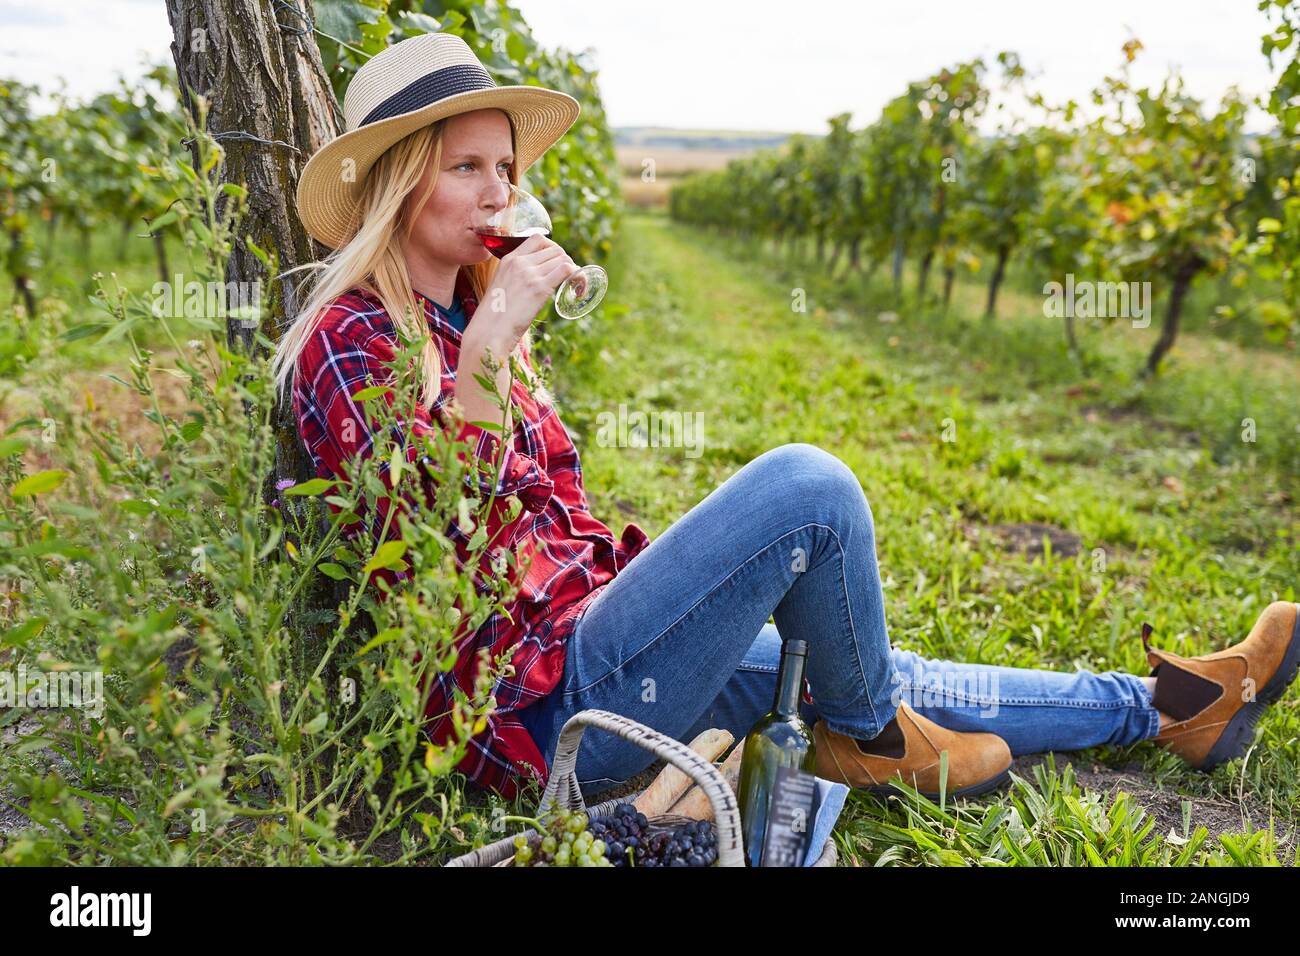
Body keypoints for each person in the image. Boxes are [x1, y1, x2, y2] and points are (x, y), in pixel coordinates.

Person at [275, 32, 1300, 804]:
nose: (499, 188)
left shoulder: (467, 310)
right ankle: (868, 737)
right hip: (541, 713)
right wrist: (496, 341)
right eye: (467, 166)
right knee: (806, 489)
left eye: (506, 166)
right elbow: (422, 552)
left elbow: (550, 516)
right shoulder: (347, 341)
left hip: (595, 638)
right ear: (403, 178)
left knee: (889, 673)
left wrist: (496, 337)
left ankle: (1172, 707)